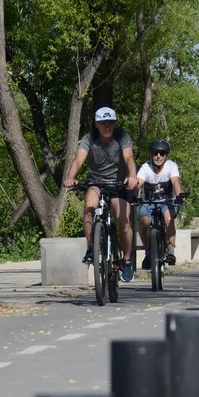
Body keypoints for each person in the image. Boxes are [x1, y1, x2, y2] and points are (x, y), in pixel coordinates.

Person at [63, 107, 138, 283]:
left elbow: (129, 159)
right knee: (89, 206)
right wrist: (71, 178)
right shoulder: (90, 138)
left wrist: (132, 176)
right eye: (104, 123)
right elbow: (78, 160)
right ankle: (91, 247)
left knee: (123, 220)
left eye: (111, 122)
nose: (108, 126)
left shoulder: (121, 136)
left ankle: (126, 261)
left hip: (118, 183)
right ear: (96, 124)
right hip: (96, 182)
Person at [135, 139, 183, 269]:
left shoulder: (171, 166)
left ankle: (170, 250)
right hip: (148, 203)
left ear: (166, 155)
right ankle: (148, 252)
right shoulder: (145, 167)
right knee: (143, 222)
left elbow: (175, 182)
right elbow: (139, 182)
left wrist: (179, 196)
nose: (158, 156)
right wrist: (134, 193)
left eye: (162, 153)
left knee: (168, 218)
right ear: (151, 154)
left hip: (167, 203)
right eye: (155, 153)